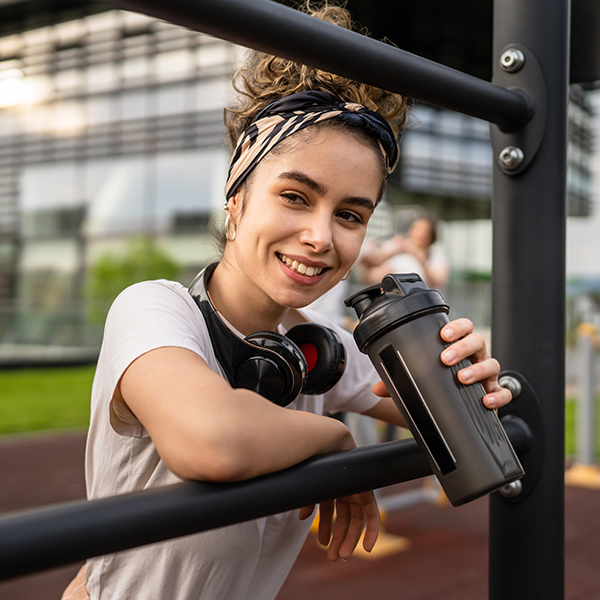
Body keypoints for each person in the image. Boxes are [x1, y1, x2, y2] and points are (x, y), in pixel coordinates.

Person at [62, 5, 511, 600]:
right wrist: (332, 438)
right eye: (296, 197)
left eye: (350, 214)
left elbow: (476, 425)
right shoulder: (154, 309)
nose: (322, 237)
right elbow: (211, 441)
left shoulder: (316, 351)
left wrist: (472, 372)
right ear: (237, 195)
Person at [359, 215, 449, 289]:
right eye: (415, 229)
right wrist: (365, 255)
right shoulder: (400, 257)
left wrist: (416, 254)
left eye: (424, 231)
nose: (419, 234)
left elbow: (437, 282)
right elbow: (372, 278)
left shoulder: (437, 257)